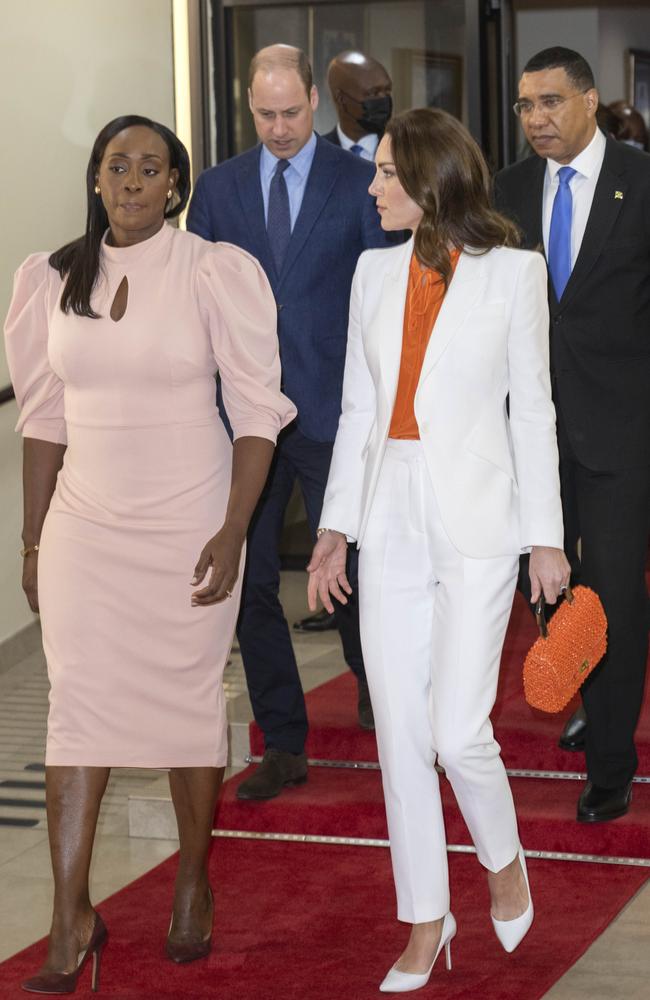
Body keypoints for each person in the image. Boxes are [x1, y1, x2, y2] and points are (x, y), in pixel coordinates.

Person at [4, 114, 294, 994]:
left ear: (176, 185)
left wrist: (234, 530)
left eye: (151, 169)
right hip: (86, 528)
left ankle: (192, 885)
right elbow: (43, 420)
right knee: (76, 708)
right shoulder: (49, 278)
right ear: (95, 178)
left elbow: (255, 414)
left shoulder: (214, 271)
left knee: (183, 701)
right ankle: (69, 916)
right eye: (116, 166)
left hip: (191, 520)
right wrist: (33, 536)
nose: (132, 181)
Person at [308, 107, 569, 991]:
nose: (373, 185)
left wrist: (545, 537)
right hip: (389, 512)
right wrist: (334, 528)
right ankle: (425, 918)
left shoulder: (515, 276)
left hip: (480, 517)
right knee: (400, 736)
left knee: (459, 731)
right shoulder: (371, 274)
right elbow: (354, 411)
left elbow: (532, 409)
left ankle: (503, 861)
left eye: (386, 172)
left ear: (430, 182)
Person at [187, 44, 400, 797]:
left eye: (290, 112)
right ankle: (283, 741)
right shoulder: (217, 189)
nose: (278, 128)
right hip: (244, 418)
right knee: (248, 583)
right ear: (250, 105)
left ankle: (384, 697)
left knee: (358, 567)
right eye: (264, 114)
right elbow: (198, 302)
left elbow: (382, 296)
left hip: (335, 406)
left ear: (314, 100)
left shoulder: (360, 181)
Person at [494, 47, 650, 824]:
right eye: (526, 105)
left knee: (613, 593)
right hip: (533, 436)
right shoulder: (510, 189)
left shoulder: (641, 181)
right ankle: (588, 688)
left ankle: (612, 765)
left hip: (621, 436)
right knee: (552, 595)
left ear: (590, 100)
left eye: (551, 102)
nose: (536, 119)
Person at [322, 50, 393, 160]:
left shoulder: (407, 150)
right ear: (341, 99)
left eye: (387, 91)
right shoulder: (316, 153)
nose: (383, 99)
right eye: (373, 93)